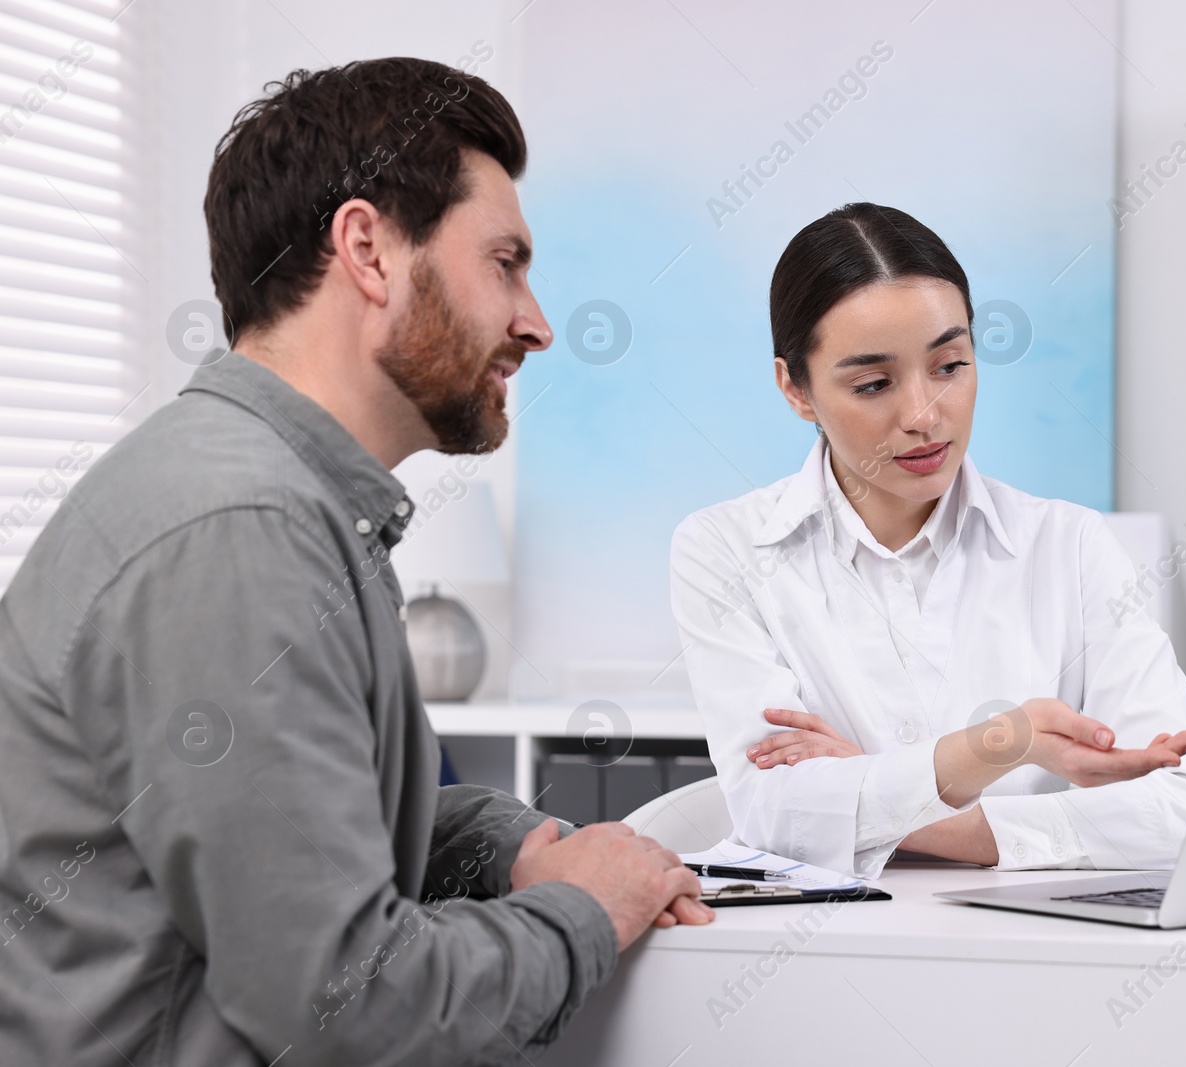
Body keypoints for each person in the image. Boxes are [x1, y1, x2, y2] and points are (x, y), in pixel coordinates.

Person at [0, 58, 709, 1067]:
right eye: (504, 261)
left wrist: (505, 844)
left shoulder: (272, 498)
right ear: (369, 249)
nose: (536, 323)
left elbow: (305, 826)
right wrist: (583, 910)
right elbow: (347, 1001)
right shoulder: (240, 530)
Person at [670, 203, 1186, 878]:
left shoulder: (1070, 546)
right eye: (873, 384)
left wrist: (876, 798)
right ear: (796, 389)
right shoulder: (725, 550)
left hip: (1042, 952)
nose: (925, 416)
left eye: (950, 365)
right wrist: (986, 749)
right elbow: (774, 814)